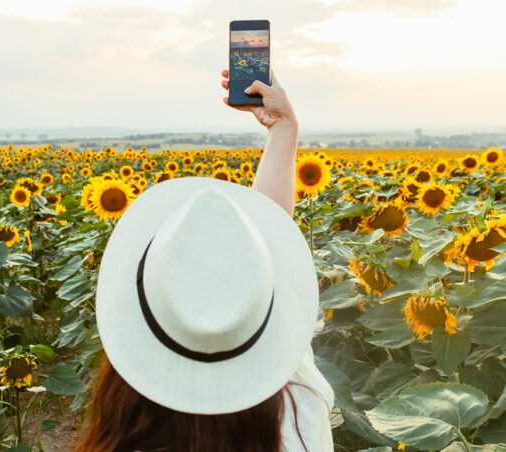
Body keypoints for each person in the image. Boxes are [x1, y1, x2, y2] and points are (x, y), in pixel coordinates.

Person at [74, 68, 335, 452]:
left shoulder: (126, 436)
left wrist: (283, 131)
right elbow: (254, 263)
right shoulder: (298, 415)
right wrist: (284, 130)